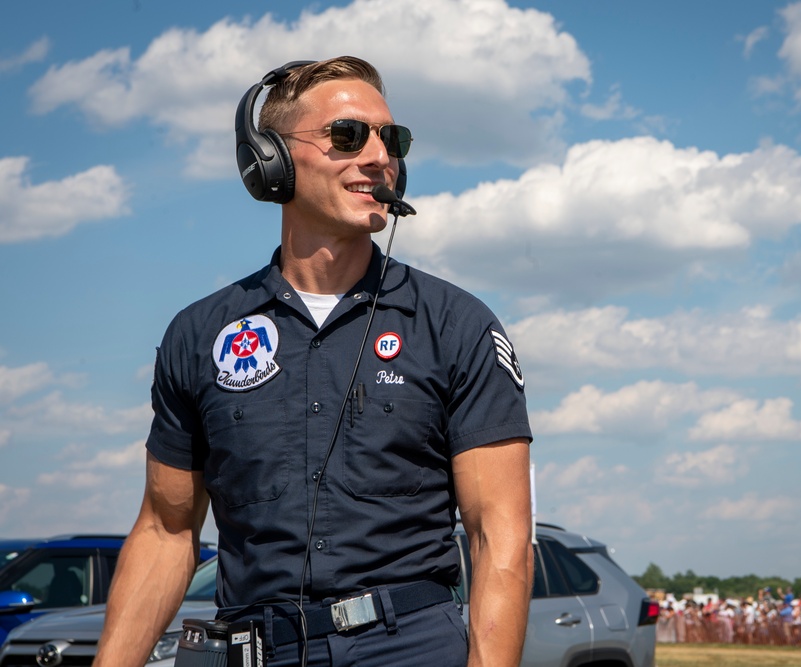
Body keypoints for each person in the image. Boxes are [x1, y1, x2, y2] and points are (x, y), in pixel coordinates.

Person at [93, 56, 533, 667]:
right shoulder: (199, 334)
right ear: (269, 160)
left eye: (392, 138)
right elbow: (166, 531)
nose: (380, 156)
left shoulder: (458, 325)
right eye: (348, 136)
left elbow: (498, 537)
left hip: (407, 646)